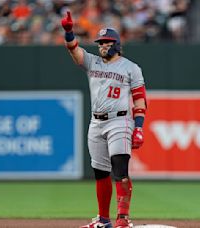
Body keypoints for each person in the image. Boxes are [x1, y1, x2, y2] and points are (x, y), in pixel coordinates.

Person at [60, 11, 147, 228]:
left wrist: (139, 128)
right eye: (100, 43)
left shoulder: (131, 68)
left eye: (107, 42)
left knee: (120, 169)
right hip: (96, 122)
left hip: (120, 121)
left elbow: (140, 100)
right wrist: (69, 32)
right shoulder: (93, 62)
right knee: (100, 173)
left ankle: (123, 219)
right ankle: (104, 220)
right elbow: (74, 50)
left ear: (117, 44)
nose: (102, 46)